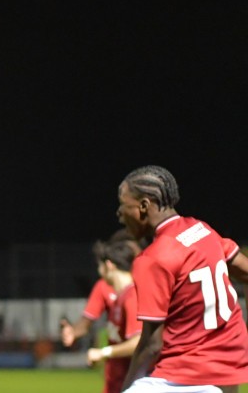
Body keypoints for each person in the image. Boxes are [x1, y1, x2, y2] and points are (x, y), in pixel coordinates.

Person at [116, 165, 248, 392]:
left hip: (186, 375)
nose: (119, 214)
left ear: (144, 206)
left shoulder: (152, 258)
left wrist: (125, 387)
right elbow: (243, 268)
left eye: (122, 205)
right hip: (229, 365)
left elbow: (152, 344)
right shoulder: (202, 229)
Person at [60, 228, 141, 393]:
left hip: (138, 377)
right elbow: (86, 322)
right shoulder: (113, 291)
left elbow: (138, 342)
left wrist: (103, 352)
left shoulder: (136, 292)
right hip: (116, 375)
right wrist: (73, 332)